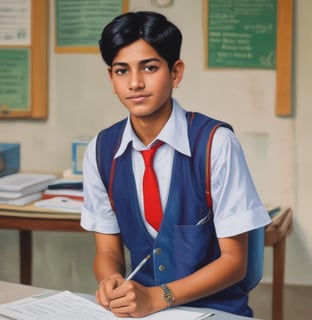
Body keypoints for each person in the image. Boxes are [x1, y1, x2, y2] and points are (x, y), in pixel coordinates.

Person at [81, 11, 271, 318]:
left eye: (150, 67)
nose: (135, 83)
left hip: (215, 309)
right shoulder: (101, 150)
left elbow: (235, 263)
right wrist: (110, 281)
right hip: (142, 311)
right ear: (111, 79)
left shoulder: (215, 144)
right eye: (121, 71)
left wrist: (158, 298)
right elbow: (107, 251)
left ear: (176, 72)